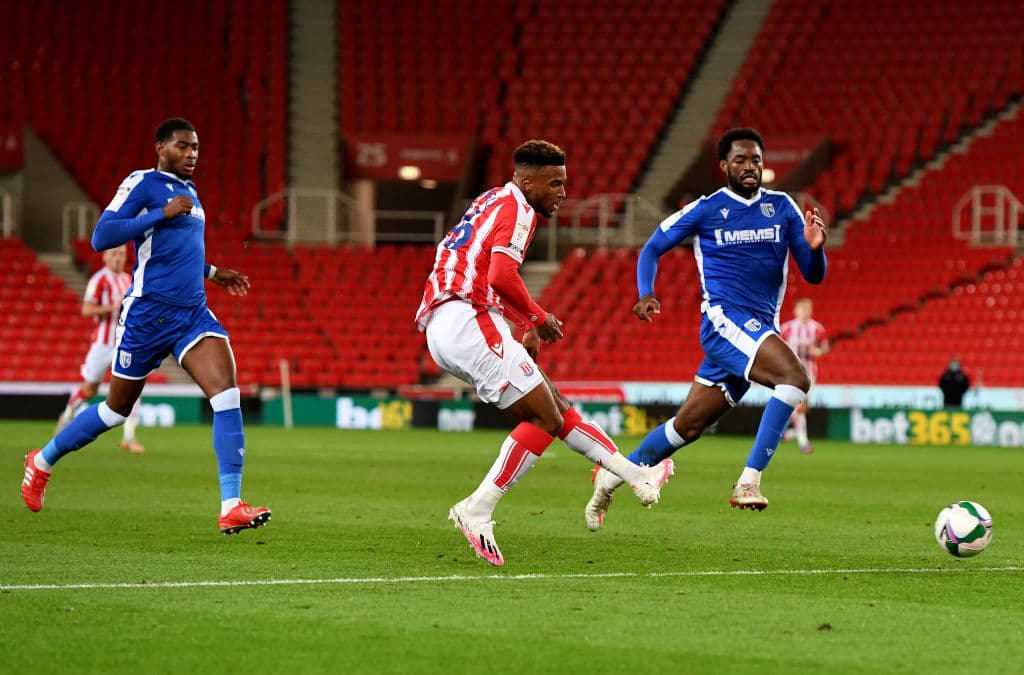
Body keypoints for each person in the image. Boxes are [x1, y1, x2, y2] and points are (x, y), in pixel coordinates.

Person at [416, 139, 674, 566]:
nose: (562, 193)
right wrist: (536, 317)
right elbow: (500, 274)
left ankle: (635, 474)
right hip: (467, 317)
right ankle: (476, 509)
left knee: (555, 405)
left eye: (564, 184)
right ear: (526, 180)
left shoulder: (493, 199)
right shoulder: (518, 208)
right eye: (554, 183)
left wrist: (520, 322)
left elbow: (481, 265)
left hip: (450, 321)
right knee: (544, 417)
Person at [21, 118, 270, 535]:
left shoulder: (191, 191)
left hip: (191, 312)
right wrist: (160, 212)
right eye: (182, 146)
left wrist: (211, 272)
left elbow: (175, 251)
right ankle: (41, 461)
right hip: (147, 315)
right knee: (115, 411)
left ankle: (231, 504)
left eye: (195, 147)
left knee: (227, 395)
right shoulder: (144, 183)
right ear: (160, 148)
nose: (191, 154)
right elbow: (103, 236)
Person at [585, 127, 828, 530]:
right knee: (795, 379)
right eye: (740, 160)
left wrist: (816, 250)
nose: (749, 167)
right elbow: (652, 247)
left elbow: (813, 275)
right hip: (723, 322)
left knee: (688, 426)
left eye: (755, 160)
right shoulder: (707, 208)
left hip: (756, 330)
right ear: (724, 166)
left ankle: (610, 478)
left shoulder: (783, 208)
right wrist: (646, 291)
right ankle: (748, 481)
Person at [55, 244, 145, 453]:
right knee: (89, 389)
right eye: (114, 254)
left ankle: (129, 437)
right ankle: (67, 414)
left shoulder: (127, 280)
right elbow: (87, 309)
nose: (118, 258)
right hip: (103, 344)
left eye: (121, 254)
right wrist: (113, 308)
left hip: (124, 343)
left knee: (134, 388)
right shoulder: (99, 280)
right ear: (105, 257)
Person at [779, 297, 829, 453]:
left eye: (808, 309)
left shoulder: (817, 328)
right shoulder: (786, 328)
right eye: (802, 309)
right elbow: (777, 348)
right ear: (796, 311)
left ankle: (788, 433)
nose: (805, 312)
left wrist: (818, 351)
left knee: (800, 407)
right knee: (798, 406)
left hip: (809, 373)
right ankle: (803, 442)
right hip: (790, 372)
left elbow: (825, 347)